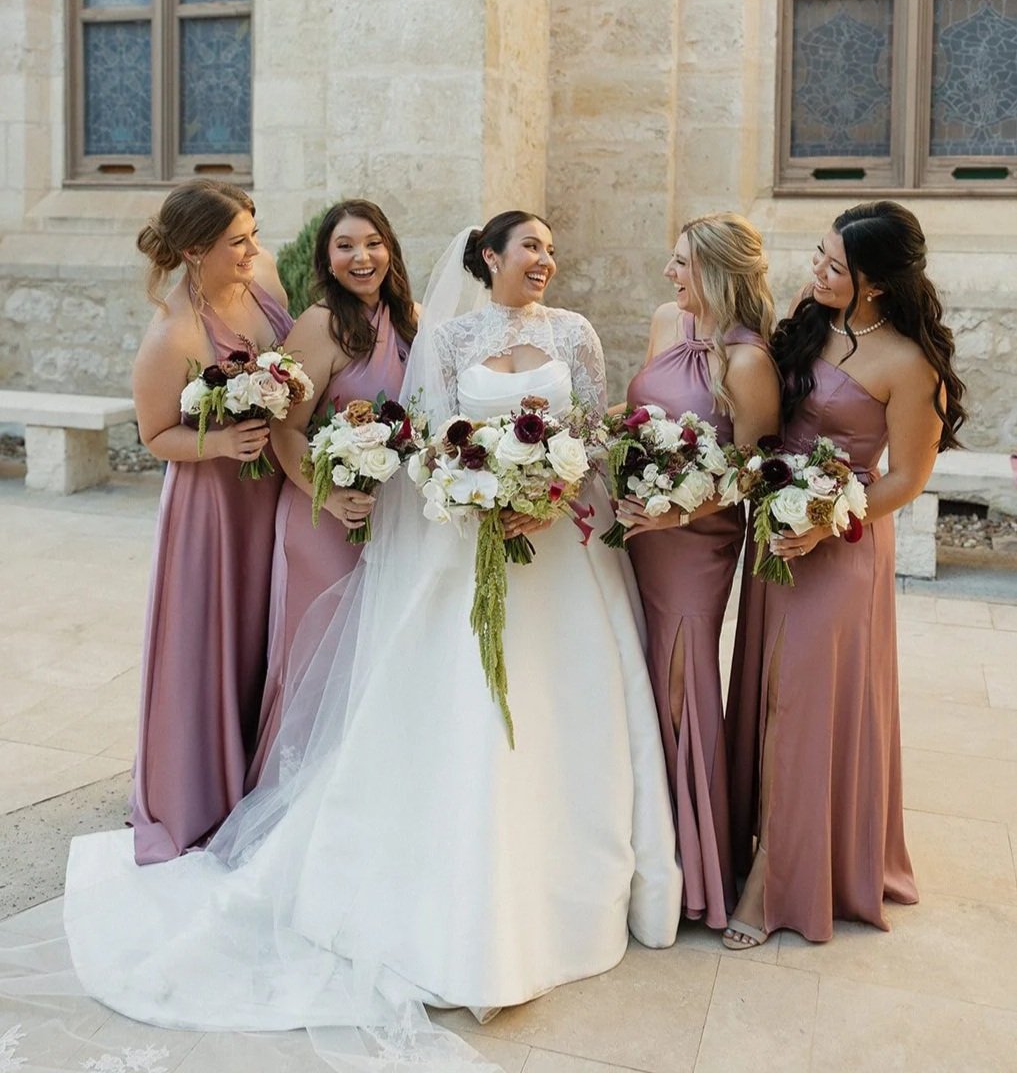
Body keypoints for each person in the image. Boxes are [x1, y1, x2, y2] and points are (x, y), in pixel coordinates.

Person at [60, 213, 682, 1072]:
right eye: (525, 245)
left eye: (549, 243)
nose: (543, 257)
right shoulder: (426, 333)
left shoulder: (553, 332)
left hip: (555, 550)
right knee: (376, 682)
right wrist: (461, 489)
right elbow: (424, 437)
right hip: (434, 527)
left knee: (562, 704)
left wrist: (549, 485)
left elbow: (582, 431)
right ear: (486, 259)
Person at [724, 201, 966, 948]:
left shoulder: (907, 364)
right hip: (776, 538)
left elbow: (905, 480)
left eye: (835, 266)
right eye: (819, 257)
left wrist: (830, 517)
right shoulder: (810, 318)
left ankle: (774, 886)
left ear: (876, 285)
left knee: (802, 705)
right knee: (766, 695)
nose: (816, 272)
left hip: (841, 545)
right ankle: (751, 847)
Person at [617, 213, 780, 931]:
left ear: (715, 271)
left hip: (695, 541)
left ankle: (698, 870)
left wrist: (677, 514)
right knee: (642, 679)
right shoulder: (664, 321)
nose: (668, 274)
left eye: (681, 263)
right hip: (637, 532)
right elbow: (638, 414)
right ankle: (643, 847)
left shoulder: (748, 362)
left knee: (684, 686)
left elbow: (753, 473)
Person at [130, 179, 292, 863]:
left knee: (269, 629)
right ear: (196, 250)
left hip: (271, 492)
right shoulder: (176, 334)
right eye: (238, 241)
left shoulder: (265, 282)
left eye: (253, 233)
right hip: (212, 509)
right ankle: (198, 791)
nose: (253, 249)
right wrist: (221, 444)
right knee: (212, 637)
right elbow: (154, 436)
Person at [245, 200, 416, 788]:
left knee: (373, 660)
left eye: (371, 242)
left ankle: (358, 792)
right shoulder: (321, 324)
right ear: (327, 258)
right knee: (317, 657)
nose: (360, 257)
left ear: (389, 248)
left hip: (392, 520)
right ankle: (293, 795)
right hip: (323, 515)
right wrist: (329, 493)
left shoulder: (411, 319)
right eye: (344, 246)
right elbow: (285, 429)